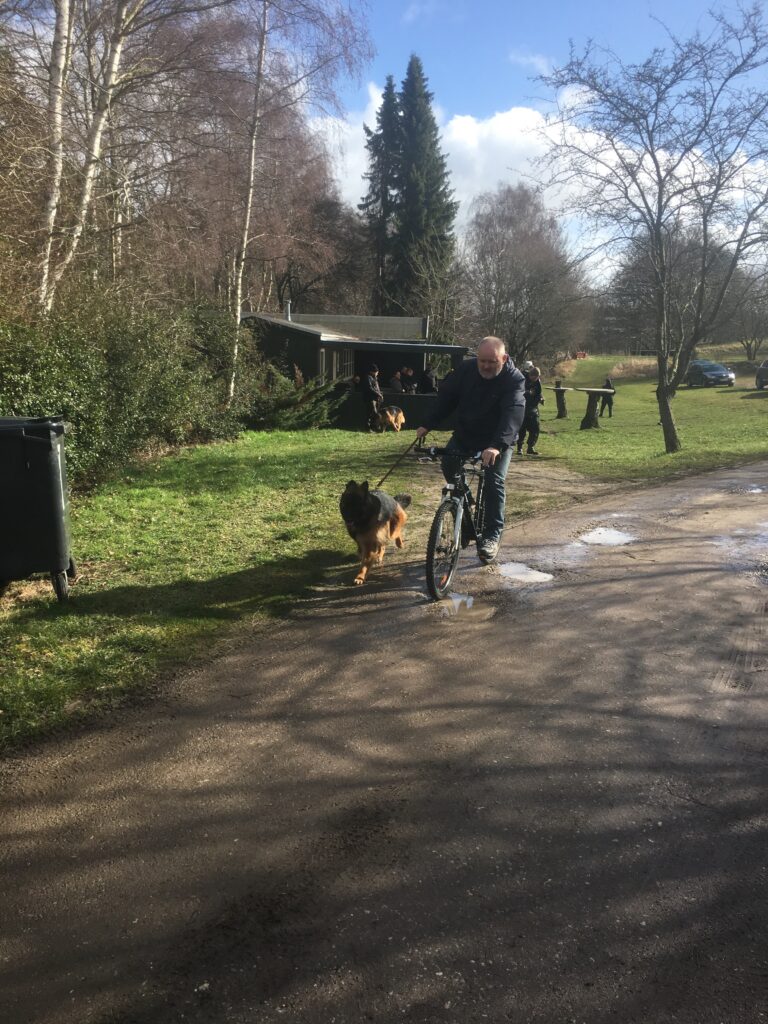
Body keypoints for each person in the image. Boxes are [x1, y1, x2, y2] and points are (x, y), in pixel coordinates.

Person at [416, 337, 525, 562]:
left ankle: (491, 535)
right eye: (481, 361)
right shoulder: (465, 371)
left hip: (497, 440)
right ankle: (464, 503)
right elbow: (446, 398)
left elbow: (513, 413)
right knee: (449, 465)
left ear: (503, 359)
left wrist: (496, 446)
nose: (485, 366)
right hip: (466, 434)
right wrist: (428, 423)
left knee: (494, 481)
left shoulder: (513, 379)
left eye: (491, 362)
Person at [517, 366, 544, 455]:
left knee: (535, 428)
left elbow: (538, 393)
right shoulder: (522, 379)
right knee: (522, 429)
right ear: (530, 375)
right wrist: (527, 392)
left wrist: (540, 398)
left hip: (533, 409)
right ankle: (519, 447)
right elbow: (518, 391)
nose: (535, 379)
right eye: (534, 377)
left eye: (537, 377)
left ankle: (530, 447)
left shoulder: (538, 383)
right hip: (522, 407)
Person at [362, 364, 383, 431]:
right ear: (372, 371)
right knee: (371, 413)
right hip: (370, 398)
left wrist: (380, 394)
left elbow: (376, 388)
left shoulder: (374, 378)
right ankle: (368, 428)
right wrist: (378, 394)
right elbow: (369, 388)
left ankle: (373, 427)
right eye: (376, 371)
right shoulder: (368, 377)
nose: (377, 373)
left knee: (373, 414)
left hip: (375, 398)